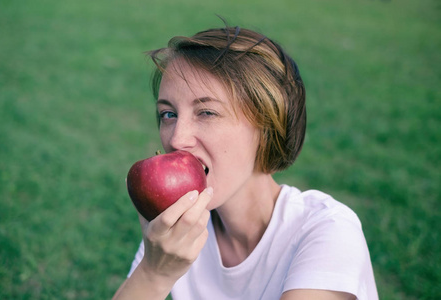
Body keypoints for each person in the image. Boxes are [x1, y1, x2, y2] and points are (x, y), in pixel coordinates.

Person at [113, 24, 378, 300]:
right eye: (168, 114)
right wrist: (154, 273)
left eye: (206, 112)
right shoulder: (175, 238)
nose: (178, 140)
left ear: (266, 126)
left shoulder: (326, 232)